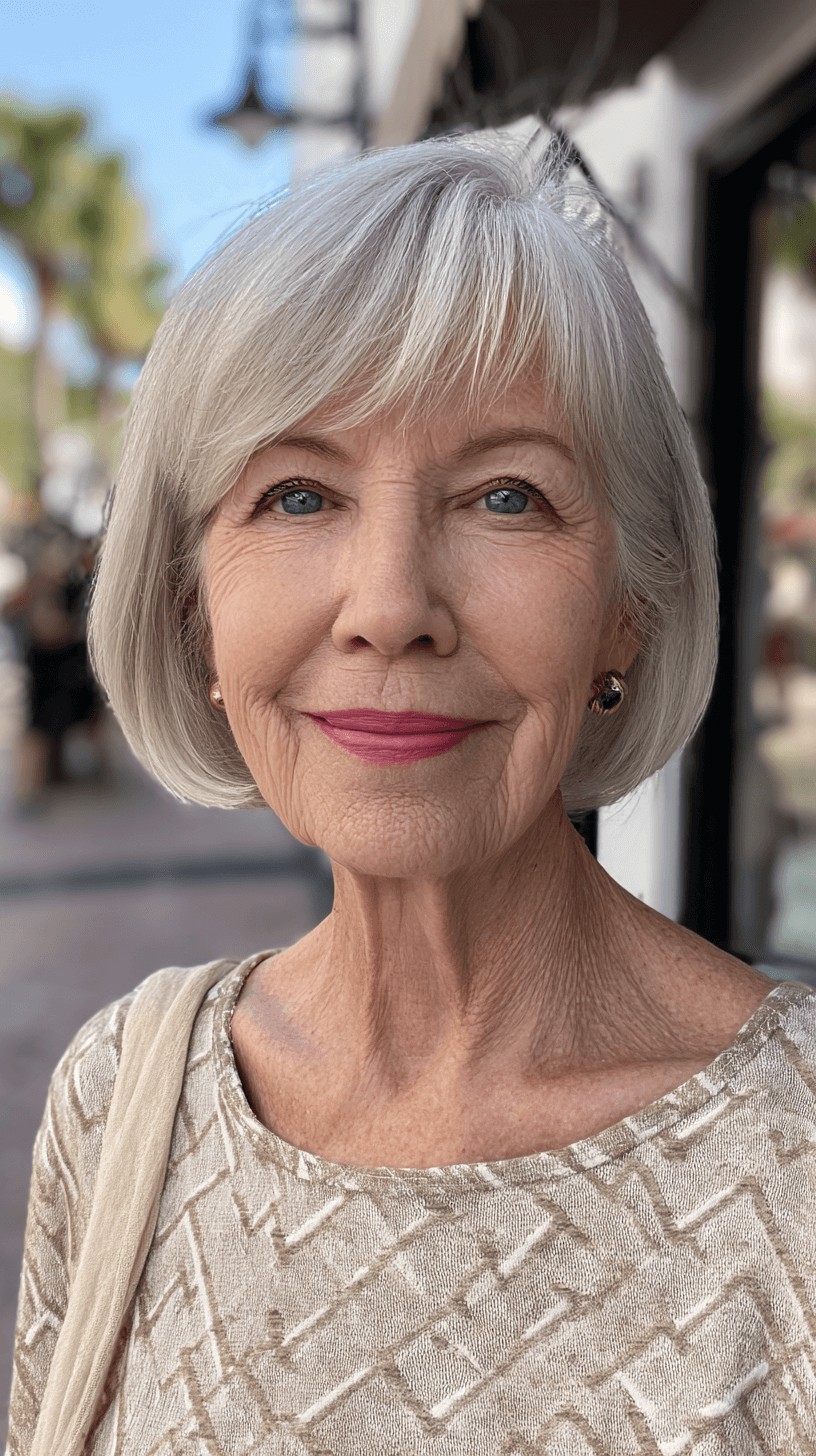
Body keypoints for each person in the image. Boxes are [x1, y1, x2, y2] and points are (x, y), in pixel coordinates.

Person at [7, 129, 816, 1454]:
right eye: (297, 495)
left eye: (507, 496)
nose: (390, 609)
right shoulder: (121, 1097)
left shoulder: (795, 1170)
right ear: (194, 608)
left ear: (627, 610)